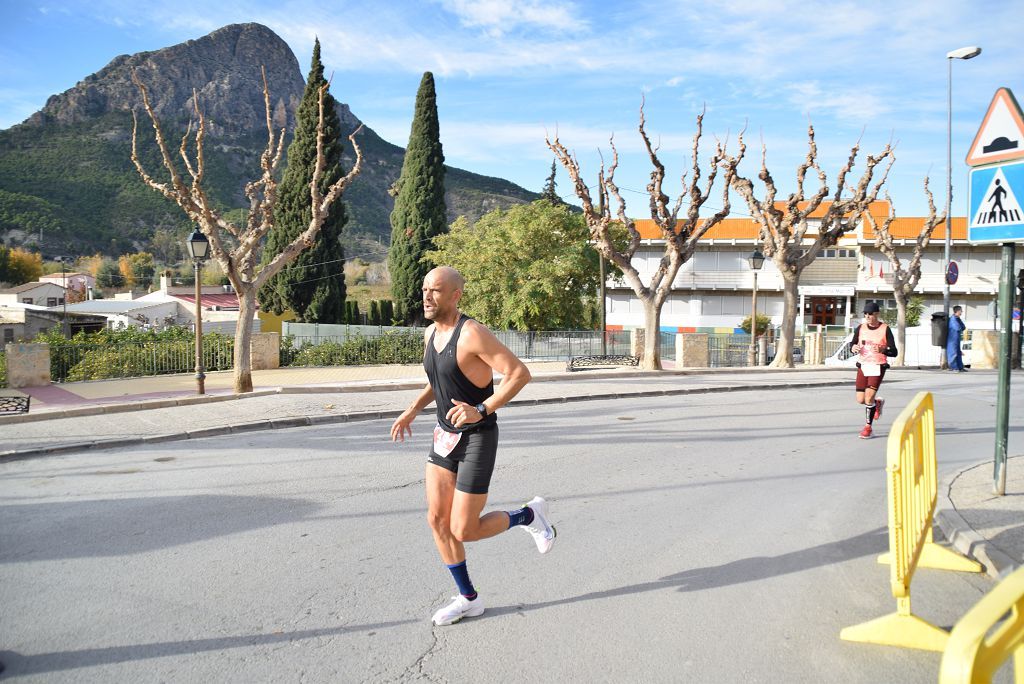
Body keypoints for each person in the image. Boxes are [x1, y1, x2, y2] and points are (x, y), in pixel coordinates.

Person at [390, 266, 555, 626]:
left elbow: (519, 373)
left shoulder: (473, 333)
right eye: (424, 289)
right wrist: (412, 409)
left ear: (455, 295)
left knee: (464, 528)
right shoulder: (430, 334)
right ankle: (468, 598)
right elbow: (440, 380)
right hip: (444, 436)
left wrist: (482, 409)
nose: (427, 296)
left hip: (478, 437)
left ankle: (528, 516)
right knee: (437, 520)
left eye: (435, 290)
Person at [850, 302, 898, 439]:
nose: (867, 316)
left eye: (870, 314)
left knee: (868, 397)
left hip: (878, 366)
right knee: (860, 399)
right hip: (863, 365)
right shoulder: (860, 328)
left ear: (877, 314)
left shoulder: (885, 329)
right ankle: (877, 403)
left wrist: (883, 349)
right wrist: (853, 348)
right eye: (865, 314)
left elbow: (894, 351)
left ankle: (868, 428)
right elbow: (852, 344)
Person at [947, 305, 967, 371]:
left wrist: (959, 321)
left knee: (958, 353)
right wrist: (960, 327)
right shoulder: (953, 319)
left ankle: (960, 367)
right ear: (958, 311)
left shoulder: (957, 319)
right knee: (953, 353)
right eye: (961, 311)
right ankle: (954, 367)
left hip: (957, 338)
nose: (962, 312)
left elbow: (963, 327)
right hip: (952, 339)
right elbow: (957, 328)